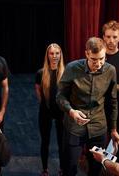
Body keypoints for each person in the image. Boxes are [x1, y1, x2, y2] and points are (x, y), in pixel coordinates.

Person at [56, 37, 119, 176]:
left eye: (102, 59)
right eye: (94, 59)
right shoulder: (72, 68)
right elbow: (60, 96)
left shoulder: (111, 70)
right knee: (69, 169)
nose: (98, 63)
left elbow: (112, 101)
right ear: (87, 54)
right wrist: (71, 111)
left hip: (98, 127)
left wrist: (113, 129)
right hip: (74, 126)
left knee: (96, 170)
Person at [35, 43, 65, 176]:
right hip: (45, 111)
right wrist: (44, 103)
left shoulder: (65, 73)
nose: (54, 56)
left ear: (60, 55)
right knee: (45, 141)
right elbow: (38, 91)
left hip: (61, 112)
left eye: (57, 53)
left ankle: (62, 168)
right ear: (47, 55)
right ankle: (45, 169)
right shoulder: (41, 73)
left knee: (61, 142)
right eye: (51, 53)